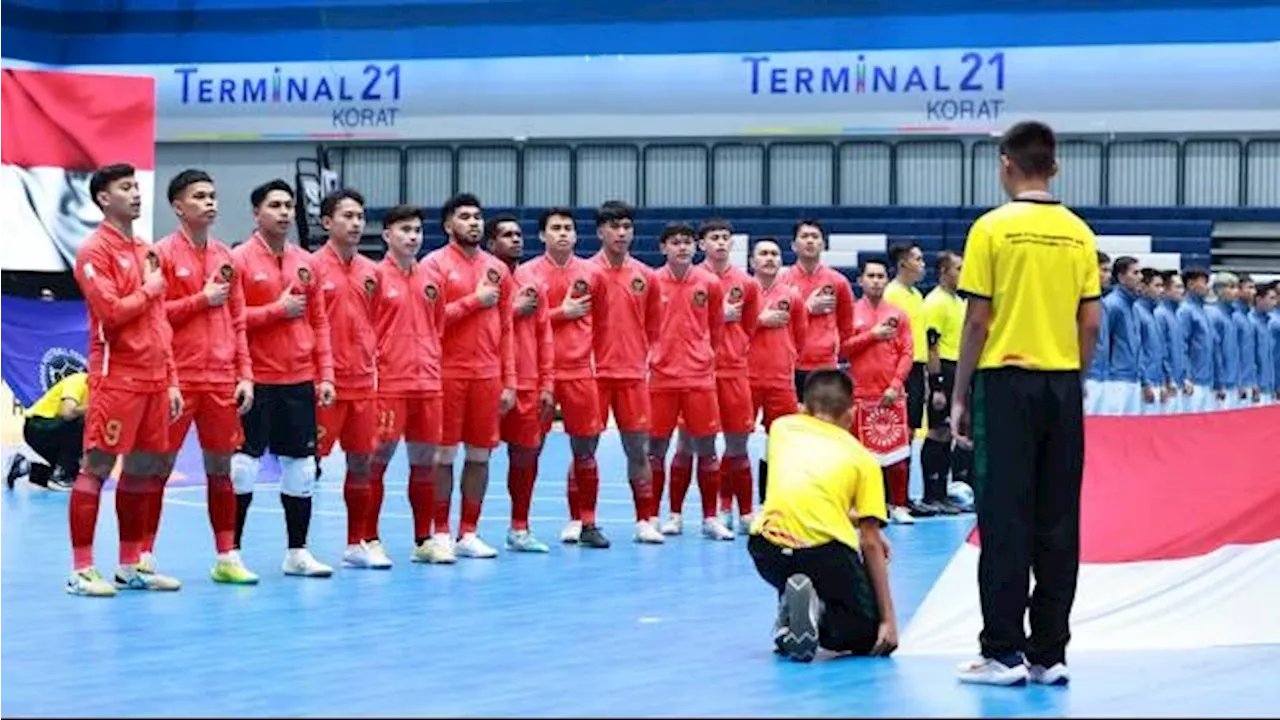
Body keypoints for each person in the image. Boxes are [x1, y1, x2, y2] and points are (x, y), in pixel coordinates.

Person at [950, 120, 1103, 686]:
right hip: (1062, 386)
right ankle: (1049, 654)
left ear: (1005, 164)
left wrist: (961, 393)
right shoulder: (1080, 234)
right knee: (1059, 520)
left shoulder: (991, 229)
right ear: (1055, 167)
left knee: (1005, 516)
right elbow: (1090, 321)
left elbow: (977, 321)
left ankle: (1003, 653)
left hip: (1006, 384)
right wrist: (1073, 377)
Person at [69, 162, 184, 597]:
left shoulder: (146, 249)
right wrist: (152, 288)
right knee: (96, 468)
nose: (136, 193)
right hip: (116, 378)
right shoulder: (93, 251)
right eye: (125, 187)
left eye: (137, 186)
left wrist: (171, 379)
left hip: (155, 380)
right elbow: (112, 314)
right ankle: (81, 570)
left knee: (142, 471)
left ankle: (130, 565)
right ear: (104, 198)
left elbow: (160, 325)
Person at [747, 369, 897, 663]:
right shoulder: (863, 460)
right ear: (852, 414)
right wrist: (888, 620)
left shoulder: (781, 429)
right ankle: (819, 612)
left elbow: (810, 489)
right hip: (824, 556)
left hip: (767, 551)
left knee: (795, 565)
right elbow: (869, 543)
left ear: (803, 408)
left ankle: (790, 620)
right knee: (866, 636)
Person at [153, 169, 257, 584]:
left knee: (221, 469)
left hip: (220, 382)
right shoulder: (159, 255)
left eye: (213, 195)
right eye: (199, 196)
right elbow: (154, 318)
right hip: (177, 379)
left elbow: (238, 321)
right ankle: (142, 555)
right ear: (179, 207)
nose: (210, 202)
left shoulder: (226, 258)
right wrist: (201, 300)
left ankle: (227, 556)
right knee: (156, 470)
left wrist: (244, 375)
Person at [230, 179, 336, 578]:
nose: (285, 212)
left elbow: (319, 322)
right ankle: (231, 553)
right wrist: (276, 310)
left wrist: (324, 374)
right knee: (243, 467)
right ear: (257, 213)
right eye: (275, 205)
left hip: (299, 379)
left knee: (303, 468)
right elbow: (231, 321)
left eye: (289, 205)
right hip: (255, 379)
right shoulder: (238, 260)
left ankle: (297, 553)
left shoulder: (306, 263)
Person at [421, 193, 516, 560]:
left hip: (488, 376)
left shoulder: (498, 269)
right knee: (443, 456)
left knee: (480, 456)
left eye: (478, 217)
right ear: (449, 226)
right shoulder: (433, 266)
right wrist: (474, 301)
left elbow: (507, 328)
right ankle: (441, 531)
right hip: (447, 374)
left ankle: (469, 532)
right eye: (465, 217)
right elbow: (430, 322)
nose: (474, 223)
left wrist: (510, 380)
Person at [522, 209, 612, 548]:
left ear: (576, 236)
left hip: (580, 373)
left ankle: (586, 522)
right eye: (555, 228)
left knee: (586, 451)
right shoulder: (527, 272)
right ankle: (521, 526)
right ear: (542, 235)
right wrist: (562, 313)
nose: (563, 234)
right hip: (541, 374)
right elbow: (521, 320)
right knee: (530, 450)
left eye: (568, 229)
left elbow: (602, 323)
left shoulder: (593, 273)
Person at [310, 189, 387, 569]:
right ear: (327, 223)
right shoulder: (308, 268)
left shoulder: (373, 272)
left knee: (362, 463)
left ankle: (356, 543)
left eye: (360, 216)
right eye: (347, 216)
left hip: (363, 384)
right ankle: (300, 547)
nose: (356, 223)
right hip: (322, 385)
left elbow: (375, 325)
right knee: (308, 466)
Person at [670, 220, 760, 534]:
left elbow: (750, 326)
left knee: (738, 444)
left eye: (725, 238)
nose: (720, 243)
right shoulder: (692, 279)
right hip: (696, 374)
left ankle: (743, 512)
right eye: (714, 238)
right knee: (687, 444)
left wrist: (732, 351)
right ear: (702, 244)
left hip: (734, 371)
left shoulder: (746, 283)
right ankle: (675, 515)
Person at [370, 205, 447, 563]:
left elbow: (438, 328)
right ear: (387, 235)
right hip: (388, 384)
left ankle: (424, 540)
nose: (413, 236)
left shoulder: (432, 279)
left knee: (425, 463)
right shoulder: (374, 277)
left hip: (428, 384)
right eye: (404, 230)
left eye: (417, 230)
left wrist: (431, 362)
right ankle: (367, 538)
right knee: (376, 461)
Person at [649, 223, 732, 540]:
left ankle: (710, 518)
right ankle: (659, 516)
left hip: (699, 377)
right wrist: (654, 356)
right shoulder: (652, 282)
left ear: (695, 247)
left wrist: (706, 355)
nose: (682, 248)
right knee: (656, 449)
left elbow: (716, 327)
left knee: (707, 449)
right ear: (663, 248)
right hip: (661, 377)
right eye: (675, 242)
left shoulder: (709, 283)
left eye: (686, 242)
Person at [589, 201, 664, 542]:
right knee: (583, 449)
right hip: (593, 374)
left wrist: (641, 359)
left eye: (626, 227)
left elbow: (653, 326)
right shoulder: (585, 273)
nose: (621, 233)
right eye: (614, 227)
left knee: (638, 449)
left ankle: (645, 520)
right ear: (600, 231)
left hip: (633, 374)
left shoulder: (646, 276)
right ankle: (582, 519)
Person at [487, 214, 557, 552]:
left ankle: (519, 527)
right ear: (490, 244)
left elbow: (545, 336)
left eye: (518, 234)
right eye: (506, 235)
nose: (516, 240)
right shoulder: (482, 279)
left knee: (526, 456)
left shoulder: (534, 282)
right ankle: (462, 531)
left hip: (529, 382)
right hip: (488, 380)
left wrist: (547, 383)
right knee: (476, 456)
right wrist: (511, 309)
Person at [840, 260, 914, 525]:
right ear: (860, 280)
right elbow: (843, 349)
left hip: (891, 394)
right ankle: (863, 505)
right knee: (861, 457)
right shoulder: (849, 313)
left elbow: (907, 353)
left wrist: (895, 385)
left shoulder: (899, 314)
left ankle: (900, 505)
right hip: (860, 395)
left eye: (881, 276)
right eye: (870, 276)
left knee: (897, 456)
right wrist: (873, 335)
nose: (876, 281)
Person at [746, 238, 807, 503]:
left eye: (774, 254)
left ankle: (774, 501)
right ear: (752, 261)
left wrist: (787, 357)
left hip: (780, 380)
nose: (769, 258)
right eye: (763, 254)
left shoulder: (792, 296)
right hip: (744, 378)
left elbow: (801, 336)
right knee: (735, 444)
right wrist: (759, 321)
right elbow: (729, 331)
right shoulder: (742, 292)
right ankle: (730, 507)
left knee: (782, 443)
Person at [882, 241, 931, 518]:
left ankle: (903, 497)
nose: (923, 264)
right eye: (918, 259)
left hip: (918, 367)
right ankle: (888, 498)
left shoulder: (916, 295)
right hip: (898, 370)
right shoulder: (892, 295)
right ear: (903, 264)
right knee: (894, 434)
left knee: (910, 433)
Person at [780, 220, 854, 397]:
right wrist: (807, 308)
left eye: (815, 237)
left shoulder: (838, 282)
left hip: (825, 364)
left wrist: (832, 349)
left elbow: (846, 326)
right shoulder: (782, 281)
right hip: (791, 364)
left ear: (823, 244)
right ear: (793, 245)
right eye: (804, 236)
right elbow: (776, 323)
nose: (810, 241)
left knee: (824, 420)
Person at [920, 250, 966, 514]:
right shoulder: (935, 302)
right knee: (938, 432)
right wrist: (936, 384)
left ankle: (942, 493)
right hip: (944, 370)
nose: (963, 273)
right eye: (958, 268)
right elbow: (931, 345)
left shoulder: (958, 302)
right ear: (943, 272)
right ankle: (930, 494)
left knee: (950, 433)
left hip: (957, 369)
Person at [9, 371, 89, 491]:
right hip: (38, 426)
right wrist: (94, 407)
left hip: (54, 431)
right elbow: (67, 412)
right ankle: (60, 475)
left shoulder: (98, 392)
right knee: (81, 421)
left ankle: (24, 466)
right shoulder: (79, 380)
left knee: (74, 473)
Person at [1101, 256, 1143, 416]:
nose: (1140, 277)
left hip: (1133, 378)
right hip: (1116, 380)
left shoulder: (1134, 307)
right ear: (1121, 277)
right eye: (1135, 273)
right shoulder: (1111, 305)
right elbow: (1104, 343)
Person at [1177, 268, 1216, 414]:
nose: (1207, 287)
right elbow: (1182, 344)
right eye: (1204, 283)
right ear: (1191, 285)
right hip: (1193, 380)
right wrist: (1186, 375)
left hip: (1206, 379)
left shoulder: (1203, 311)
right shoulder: (1185, 311)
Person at [1154, 270, 1190, 414]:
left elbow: (1182, 350)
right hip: (1169, 384)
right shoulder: (1160, 315)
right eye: (1178, 287)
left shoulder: (1175, 315)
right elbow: (1161, 350)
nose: (1182, 291)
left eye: (1182, 287)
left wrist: (1185, 376)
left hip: (1178, 382)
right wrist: (1166, 379)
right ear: (1166, 289)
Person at [1082, 252, 1112, 415]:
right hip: (1090, 375)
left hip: (1103, 375)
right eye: (1104, 270)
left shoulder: (1103, 304)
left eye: (1109, 271)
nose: (1108, 275)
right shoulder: (1080, 302)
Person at [1134, 269, 1167, 416]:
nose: (1161, 290)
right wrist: (1145, 382)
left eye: (1162, 286)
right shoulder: (1138, 312)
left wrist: (1163, 381)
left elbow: (1160, 352)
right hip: (1145, 383)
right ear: (1144, 287)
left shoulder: (1154, 315)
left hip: (1157, 382)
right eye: (1157, 286)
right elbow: (1137, 349)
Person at [1207, 272, 1240, 411]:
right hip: (1221, 383)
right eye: (1231, 287)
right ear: (1219, 290)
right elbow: (1215, 351)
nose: (1235, 291)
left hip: (1233, 380)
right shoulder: (1214, 314)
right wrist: (1219, 381)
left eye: (1236, 287)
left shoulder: (1232, 316)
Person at [1232, 273, 1259, 406]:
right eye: (1249, 287)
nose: (1253, 292)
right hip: (1237, 383)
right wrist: (1239, 382)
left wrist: (1254, 381)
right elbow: (1233, 352)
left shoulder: (1250, 318)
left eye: (1254, 288)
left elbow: (1252, 354)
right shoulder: (1234, 317)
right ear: (1239, 289)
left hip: (1249, 381)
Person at [1252, 282, 1277, 406]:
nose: (1275, 302)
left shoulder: (1267, 324)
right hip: (1256, 386)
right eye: (1271, 298)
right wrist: (1253, 382)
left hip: (1268, 385)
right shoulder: (1251, 323)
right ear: (1259, 299)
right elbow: (1249, 356)